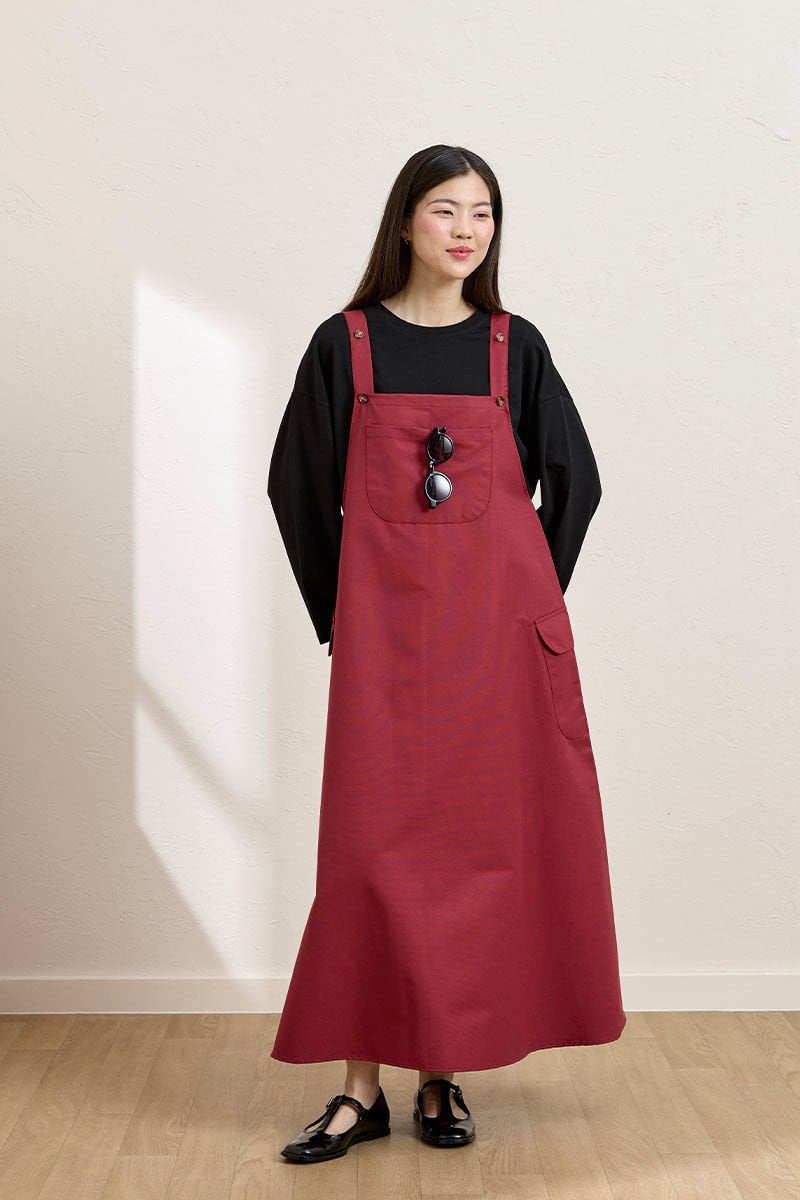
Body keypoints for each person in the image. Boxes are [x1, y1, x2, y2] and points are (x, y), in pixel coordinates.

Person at [267, 144, 626, 1165]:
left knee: (473, 857)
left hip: (493, 655)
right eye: (444, 210)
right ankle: (359, 1091)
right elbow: (295, 488)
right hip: (384, 652)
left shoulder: (514, 348)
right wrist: (342, 618)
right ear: (404, 223)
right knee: (369, 854)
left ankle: (439, 1075)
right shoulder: (344, 345)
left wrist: (524, 602)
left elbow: (577, 481)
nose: (466, 230)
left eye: (483, 213)